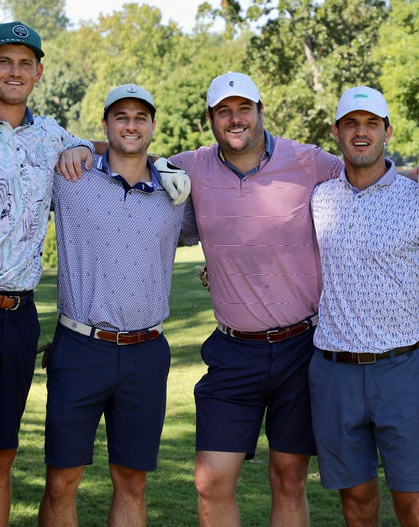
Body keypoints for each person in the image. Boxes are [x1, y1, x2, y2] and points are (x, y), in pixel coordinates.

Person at [0, 24, 189, 527]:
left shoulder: (55, 140)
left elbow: (118, 147)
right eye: (4, 61)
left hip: (19, 317)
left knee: (0, 454)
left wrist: (150, 159)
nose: (14, 71)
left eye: (25, 63)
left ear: (38, 72)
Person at [169, 72, 344, 527]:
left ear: (260, 111)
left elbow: (371, 175)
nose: (235, 118)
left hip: (301, 347)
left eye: (243, 108)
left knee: (289, 479)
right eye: (223, 111)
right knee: (211, 483)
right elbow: (127, 153)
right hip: (233, 351)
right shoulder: (190, 166)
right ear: (210, 118)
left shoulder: (310, 162)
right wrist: (79, 149)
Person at [38, 84, 196, 527]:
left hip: (147, 352)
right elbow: (33, 137)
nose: (131, 125)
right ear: (106, 124)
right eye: (121, 117)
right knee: (61, 481)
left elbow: (225, 231)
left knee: (132, 481)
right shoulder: (69, 176)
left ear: (151, 126)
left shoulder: (175, 193)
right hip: (81, 348)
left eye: (140, 117)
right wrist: (78, 145)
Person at [309, 86, 419, 526]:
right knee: (356, 501)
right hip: (334, 372)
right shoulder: (318, 198)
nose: (361, 132)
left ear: (388, 131)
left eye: (371, 123)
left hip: (403, 369)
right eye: (351, 123)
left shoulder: (413, 198)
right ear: (336, 132)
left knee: (412, 501)